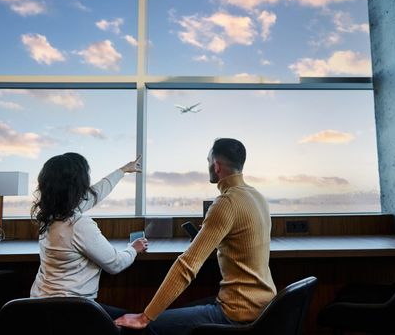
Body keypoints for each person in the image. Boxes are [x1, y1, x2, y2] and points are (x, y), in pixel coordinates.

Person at [115, 138, 277, 335]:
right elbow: (243, 242)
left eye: (208, 160)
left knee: (145, 329)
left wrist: (145, 317)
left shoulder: (226, 203)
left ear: (216, 166)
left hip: (236, 312)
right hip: (266, 306)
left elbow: (187, 266)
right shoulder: (258, 197)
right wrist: (212, 235)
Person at [30, 152, 148, 319]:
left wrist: (122, 171)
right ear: (78, 186)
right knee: (136, 320)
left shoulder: (48, 217)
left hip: (39, 308)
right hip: (73, 313)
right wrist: (133, 249)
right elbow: (115, 264)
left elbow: (93, 196)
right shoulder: (77, 224)